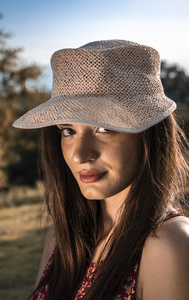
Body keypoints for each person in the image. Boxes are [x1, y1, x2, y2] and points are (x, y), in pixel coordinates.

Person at [12, 40, 189, 300]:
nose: (79, 154)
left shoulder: (170, 245)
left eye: (104, 128)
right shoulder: (64, 236)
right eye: (68, 131)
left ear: (148, 135)